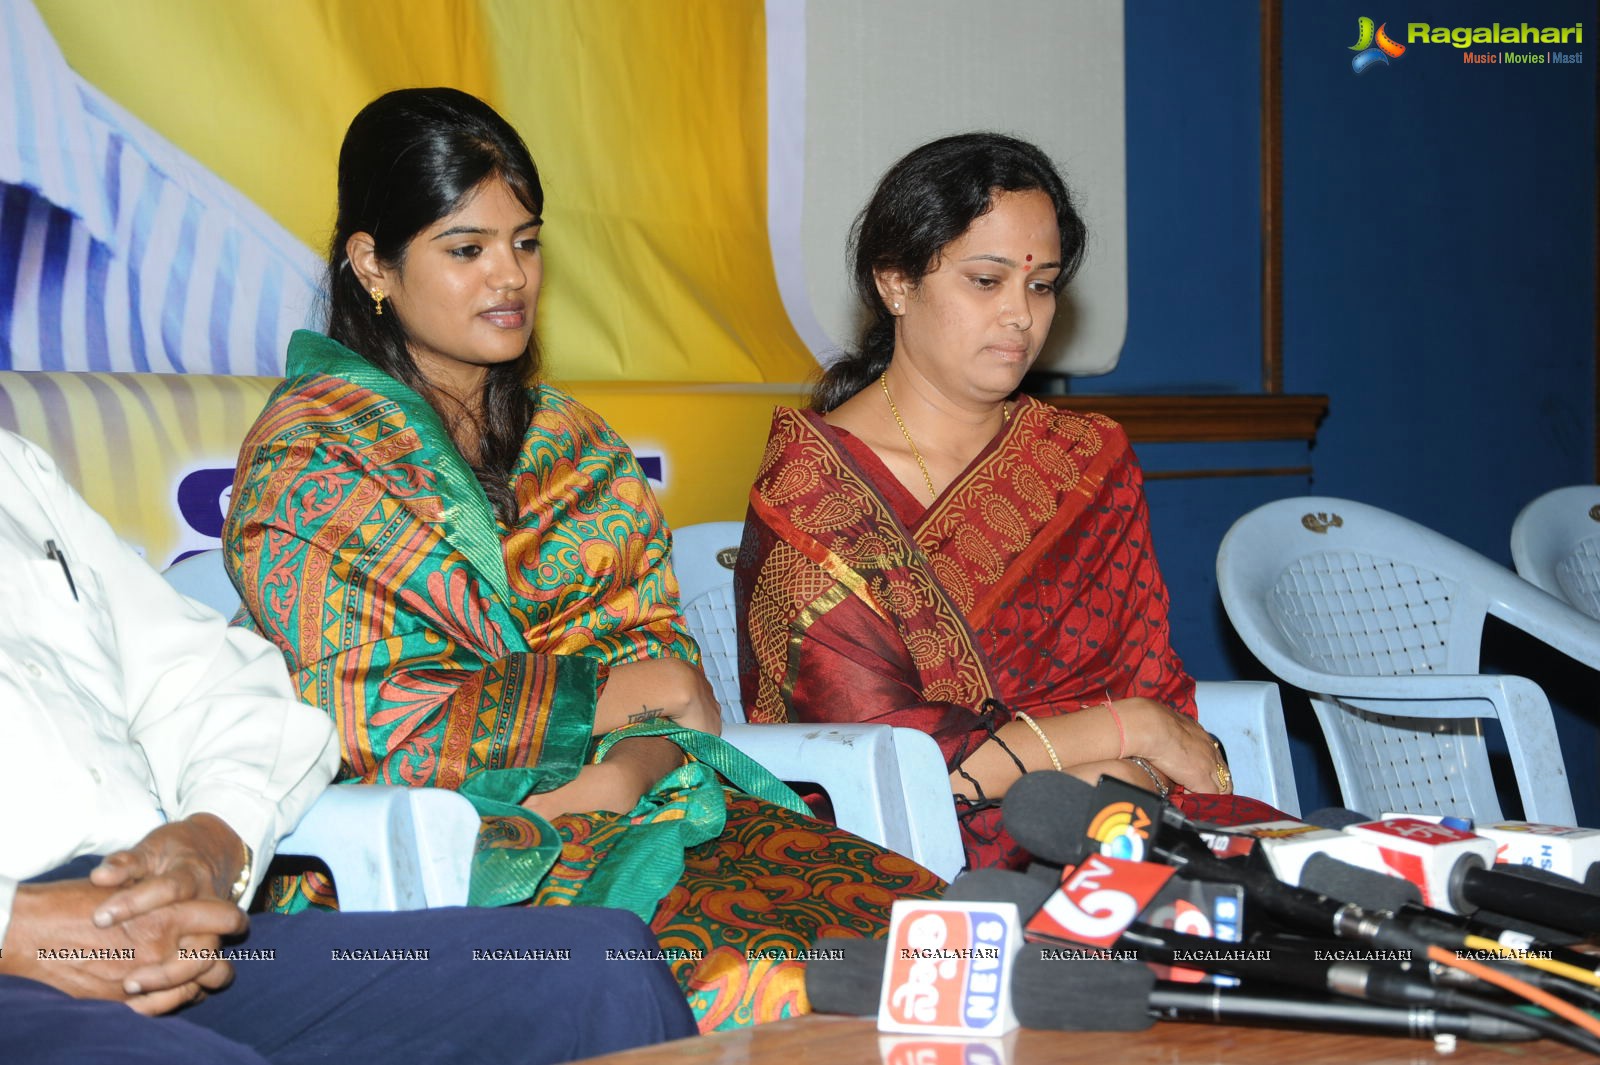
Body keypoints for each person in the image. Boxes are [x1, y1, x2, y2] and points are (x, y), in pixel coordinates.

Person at [222, 87, 939, 1033]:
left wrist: (625, 769)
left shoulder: (572, 444)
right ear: (372, 263)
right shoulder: (312, 456)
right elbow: (366, 721)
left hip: (650, 805)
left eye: (526, 241)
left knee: (931, 932)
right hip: (430, 862)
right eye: (466, 248)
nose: (509, 277)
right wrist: (624, 707)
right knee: (789, 984)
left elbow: (669, 675)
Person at [0, 427, 696, 1065]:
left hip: (157, 917)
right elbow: (363, 704)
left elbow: (220, 687)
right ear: (373, 279)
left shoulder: (16, 474)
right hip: (18, 954)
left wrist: (214, 837)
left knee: (603, 967)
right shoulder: (312, 454)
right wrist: (15, 928)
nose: (509, 279)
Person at [735, 133, 1285, 871]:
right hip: (916, 844)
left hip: (1123, 804)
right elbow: (882, 759)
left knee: (1340, 892)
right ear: (896, 284)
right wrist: (1124, 731)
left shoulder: (1084, 461)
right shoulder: (812, 495)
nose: (1022, 316)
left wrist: (1134, 762)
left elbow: (1162, 700)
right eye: (987, 281)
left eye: (1042, 283)